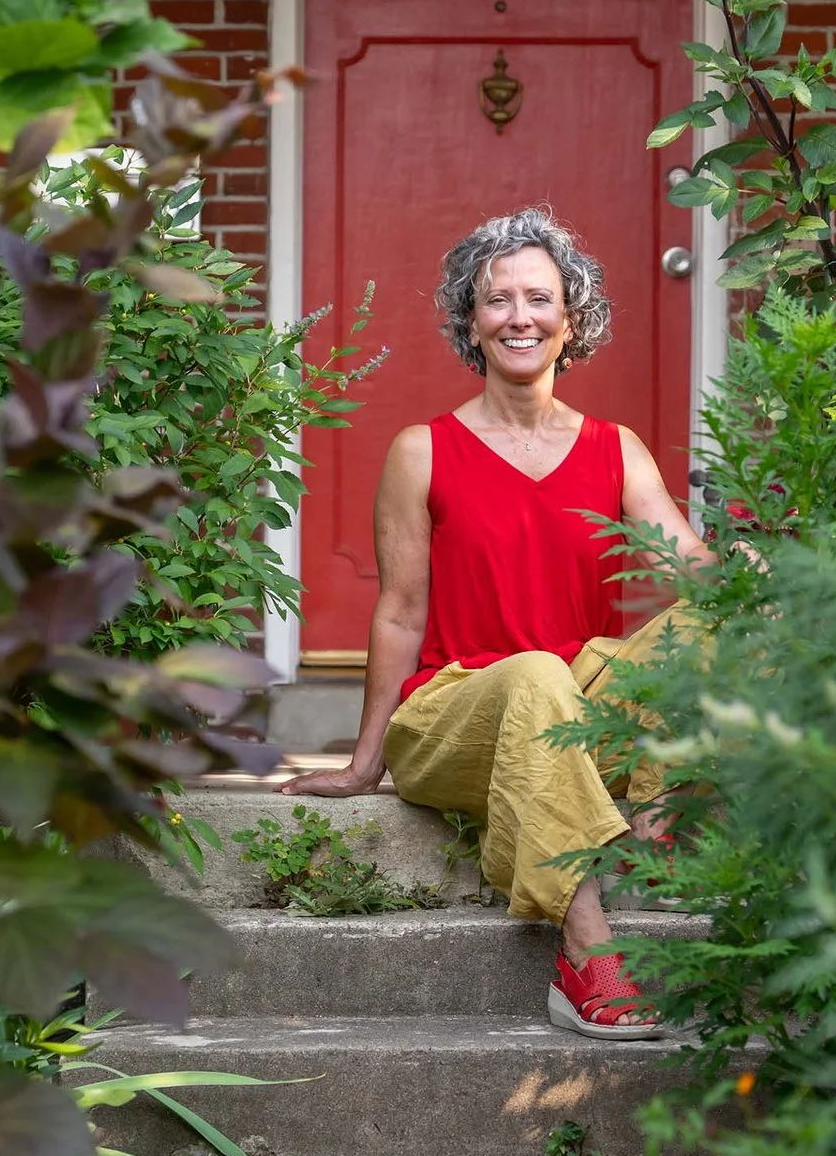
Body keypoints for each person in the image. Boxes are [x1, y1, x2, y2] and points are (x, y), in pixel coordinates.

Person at [282, 207, 714, 1040]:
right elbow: (402, 609)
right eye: (497, 300)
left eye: (540, 299)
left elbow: (689, 566)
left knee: (713, 621)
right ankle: (585, 946)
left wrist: (766, 578)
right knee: (537, 674)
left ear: (571, 320)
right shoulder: (423, 449)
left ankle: (658, 816)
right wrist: (364, 759)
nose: (520, 316)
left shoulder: (616, 449)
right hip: (454, 710)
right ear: (470, 323)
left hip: (573, 708)